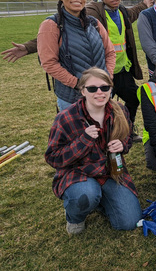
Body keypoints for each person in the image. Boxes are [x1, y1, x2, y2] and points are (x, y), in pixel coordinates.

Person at [1, 0, 154, 142]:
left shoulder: (112, 15)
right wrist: (29, 47)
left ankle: (124, 135)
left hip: (111, 75)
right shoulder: (91, 12)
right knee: (79, 137)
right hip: (75, 90)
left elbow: (113, 45)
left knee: (108, 125)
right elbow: (53, 39)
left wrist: (144, 5)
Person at [45, 67, 141, 234]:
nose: (99, 92)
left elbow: (127, 137)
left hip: (111, 173)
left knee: (129, 222)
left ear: (111, 89)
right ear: (82, 90)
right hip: (78, 173)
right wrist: (84, 141)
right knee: (85, 195)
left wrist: (122, 145)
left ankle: (100, 199)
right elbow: (53, 158)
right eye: (92, 88)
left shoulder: (120, 110)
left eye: (105, 88)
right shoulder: (66, 117)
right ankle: (75, 217)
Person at [37, 0, 115, 111]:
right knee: (78, 132)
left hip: (102, 94)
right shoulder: (51, 25)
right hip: (72, 99)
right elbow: (49, 63)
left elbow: (110, 52)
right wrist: (78, 84)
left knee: (104, 131)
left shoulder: (94, 23)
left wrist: (107, 77)